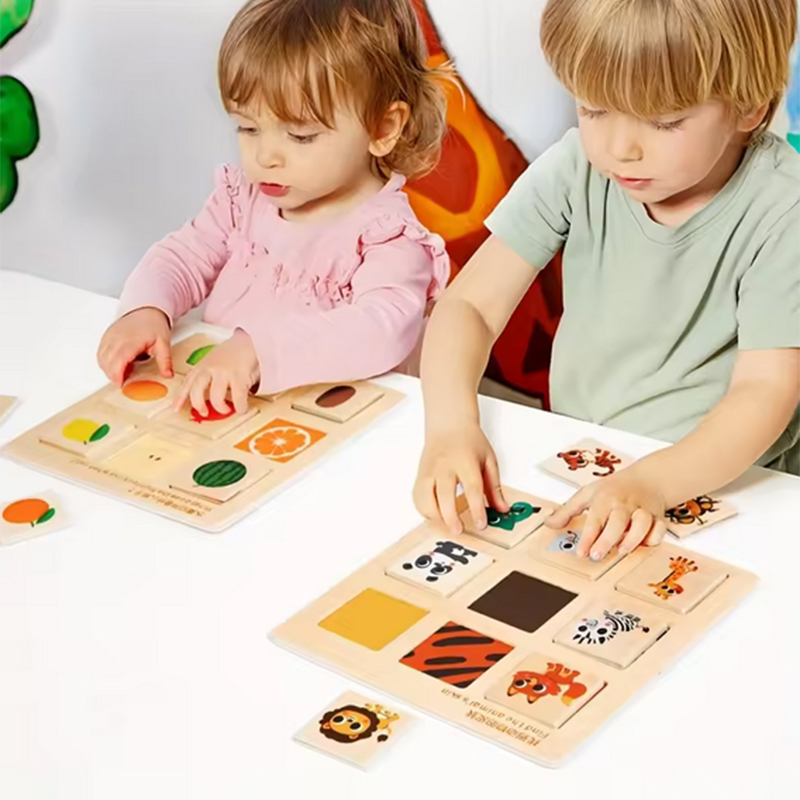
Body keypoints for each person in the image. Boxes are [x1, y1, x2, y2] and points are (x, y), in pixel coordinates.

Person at [415, 0, 800, 562]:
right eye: (593, 109)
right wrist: (450, 424)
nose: (620, 149)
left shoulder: (783, 210)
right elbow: (469, 305)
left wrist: (654, 482)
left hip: (727, 488)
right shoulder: (579, 167)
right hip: (583, 458)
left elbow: (765, 391)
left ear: (749, 107)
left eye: (663, 121)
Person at [97, 0, 450, 417]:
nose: (265, 157)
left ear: (383, 128)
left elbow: (382, 330)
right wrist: (146, 307)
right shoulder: (242, 200)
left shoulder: (386, 235)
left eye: (300, 135)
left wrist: (258, 352)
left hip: (328, 425)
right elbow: (182, 256)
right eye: (248, 127)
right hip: (228, 410)